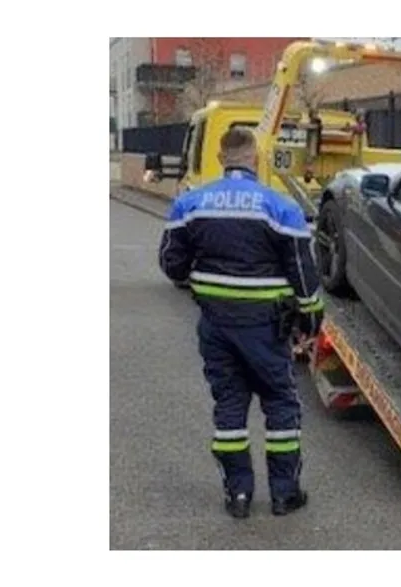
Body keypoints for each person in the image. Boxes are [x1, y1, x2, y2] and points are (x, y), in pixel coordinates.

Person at [158, 127, 324, 519]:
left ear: (221, 158)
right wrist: (311, 317)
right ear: (255, 159)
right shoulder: (280, 207)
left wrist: (201, 278)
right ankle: (284, 494)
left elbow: (171, 263)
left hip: (216, 323)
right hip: (267, 326)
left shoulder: (191, 204)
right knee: (281, 403)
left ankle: (238, 496)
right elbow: (303, 270)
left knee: (229, 405)